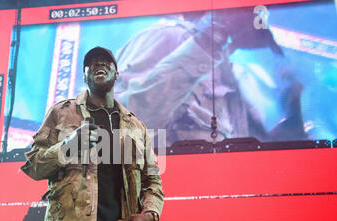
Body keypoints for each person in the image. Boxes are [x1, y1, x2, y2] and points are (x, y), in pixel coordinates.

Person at [20, 47, 164, 221]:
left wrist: (150, 215)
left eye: (106, 62)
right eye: (92, 63)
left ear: (116, 74)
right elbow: (34, 166)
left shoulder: (135, 125)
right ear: (84, 75)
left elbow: (152, 178)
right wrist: (69, 146)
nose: (100, 64)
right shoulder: (62, 113)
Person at [115, 8, 307, 146]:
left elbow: (243, 155)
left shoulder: (228, 72)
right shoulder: (170, 36)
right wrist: (209, 37)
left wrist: (295, 122)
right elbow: (118, 131)